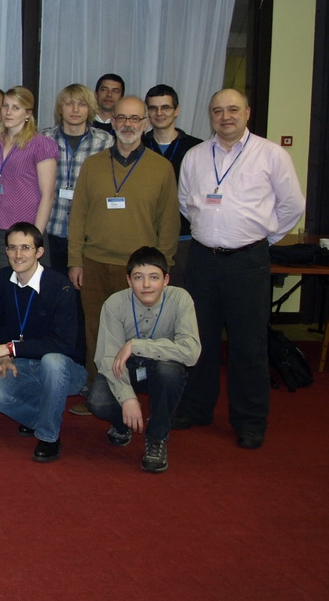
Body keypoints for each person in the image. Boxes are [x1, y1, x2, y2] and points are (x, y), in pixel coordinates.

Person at [174, 89, 305, 449]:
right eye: (218, 110)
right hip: (203, 260)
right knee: (199, 339)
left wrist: (264, 237)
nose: (225, 116)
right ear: (211, 115)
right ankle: (196, 408)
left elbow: (293, 205)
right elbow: (186, 202)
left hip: (248, 261)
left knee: (248, 345)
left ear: (247, 112)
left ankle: (249, 421)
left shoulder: (271, 154)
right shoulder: (196, 156)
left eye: (233, 109)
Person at [67, 96, 179, 413]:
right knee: (96, 332)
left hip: (139, 271)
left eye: (134, 118)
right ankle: (96, 394)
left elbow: (169, 223)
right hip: (94, 264)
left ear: (145, 123)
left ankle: (133, 396)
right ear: (112, 122)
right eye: (121, 118)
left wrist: (160, 271)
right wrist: (75, 260)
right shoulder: (93, 165)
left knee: (139, 336)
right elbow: (78, 216)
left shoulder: (161, 168)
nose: (127, 124)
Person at [91, 246, 201, 473]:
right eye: (138, 278)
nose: (147, 285)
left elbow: (191, 352)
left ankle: (157, 436)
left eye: (154, 277)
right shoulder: (114, 303)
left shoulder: (180, 299)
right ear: (128, 280)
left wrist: (137, 345)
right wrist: (127, 398)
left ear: (166, 280)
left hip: (161, 367)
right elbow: (107, 358)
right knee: (98, 401)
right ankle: (123, 424)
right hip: (125, 367)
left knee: (169, 372)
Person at [0, 223, 85, 462]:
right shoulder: (2, 278)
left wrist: (11, 348)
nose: (18, 255)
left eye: (25, 248)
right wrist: (5, 358)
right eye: (12, 248)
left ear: (39, 252)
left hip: (66, 370)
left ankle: (49, 437)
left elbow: (63, 344)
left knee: (52, 361)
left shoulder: (60, 286)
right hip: (23, 364)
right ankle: (46, 418)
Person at [0, 86, 59, 294]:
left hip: (25, 232)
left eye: (16, 108)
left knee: (25, 293)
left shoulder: (41, 144)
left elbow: (48, 196)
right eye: (5, 106)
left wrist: (33, 240)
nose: (8, 112)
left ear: (28, 113)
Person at [42, 84, 113, 276]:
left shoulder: (105, 142)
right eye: (69, 104)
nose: (75, 110)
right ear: (60, 108)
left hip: (87, 234)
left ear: (90, 109)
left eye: (82, 104)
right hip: (50, 229)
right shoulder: (44, 139)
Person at [143, 83, 203, 284]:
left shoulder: (196, 148)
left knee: (180, 294)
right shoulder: (138, 146)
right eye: (153, 108)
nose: (159, 113)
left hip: (184, 237)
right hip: (145, 235)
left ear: (176, 110)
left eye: (165, 107)